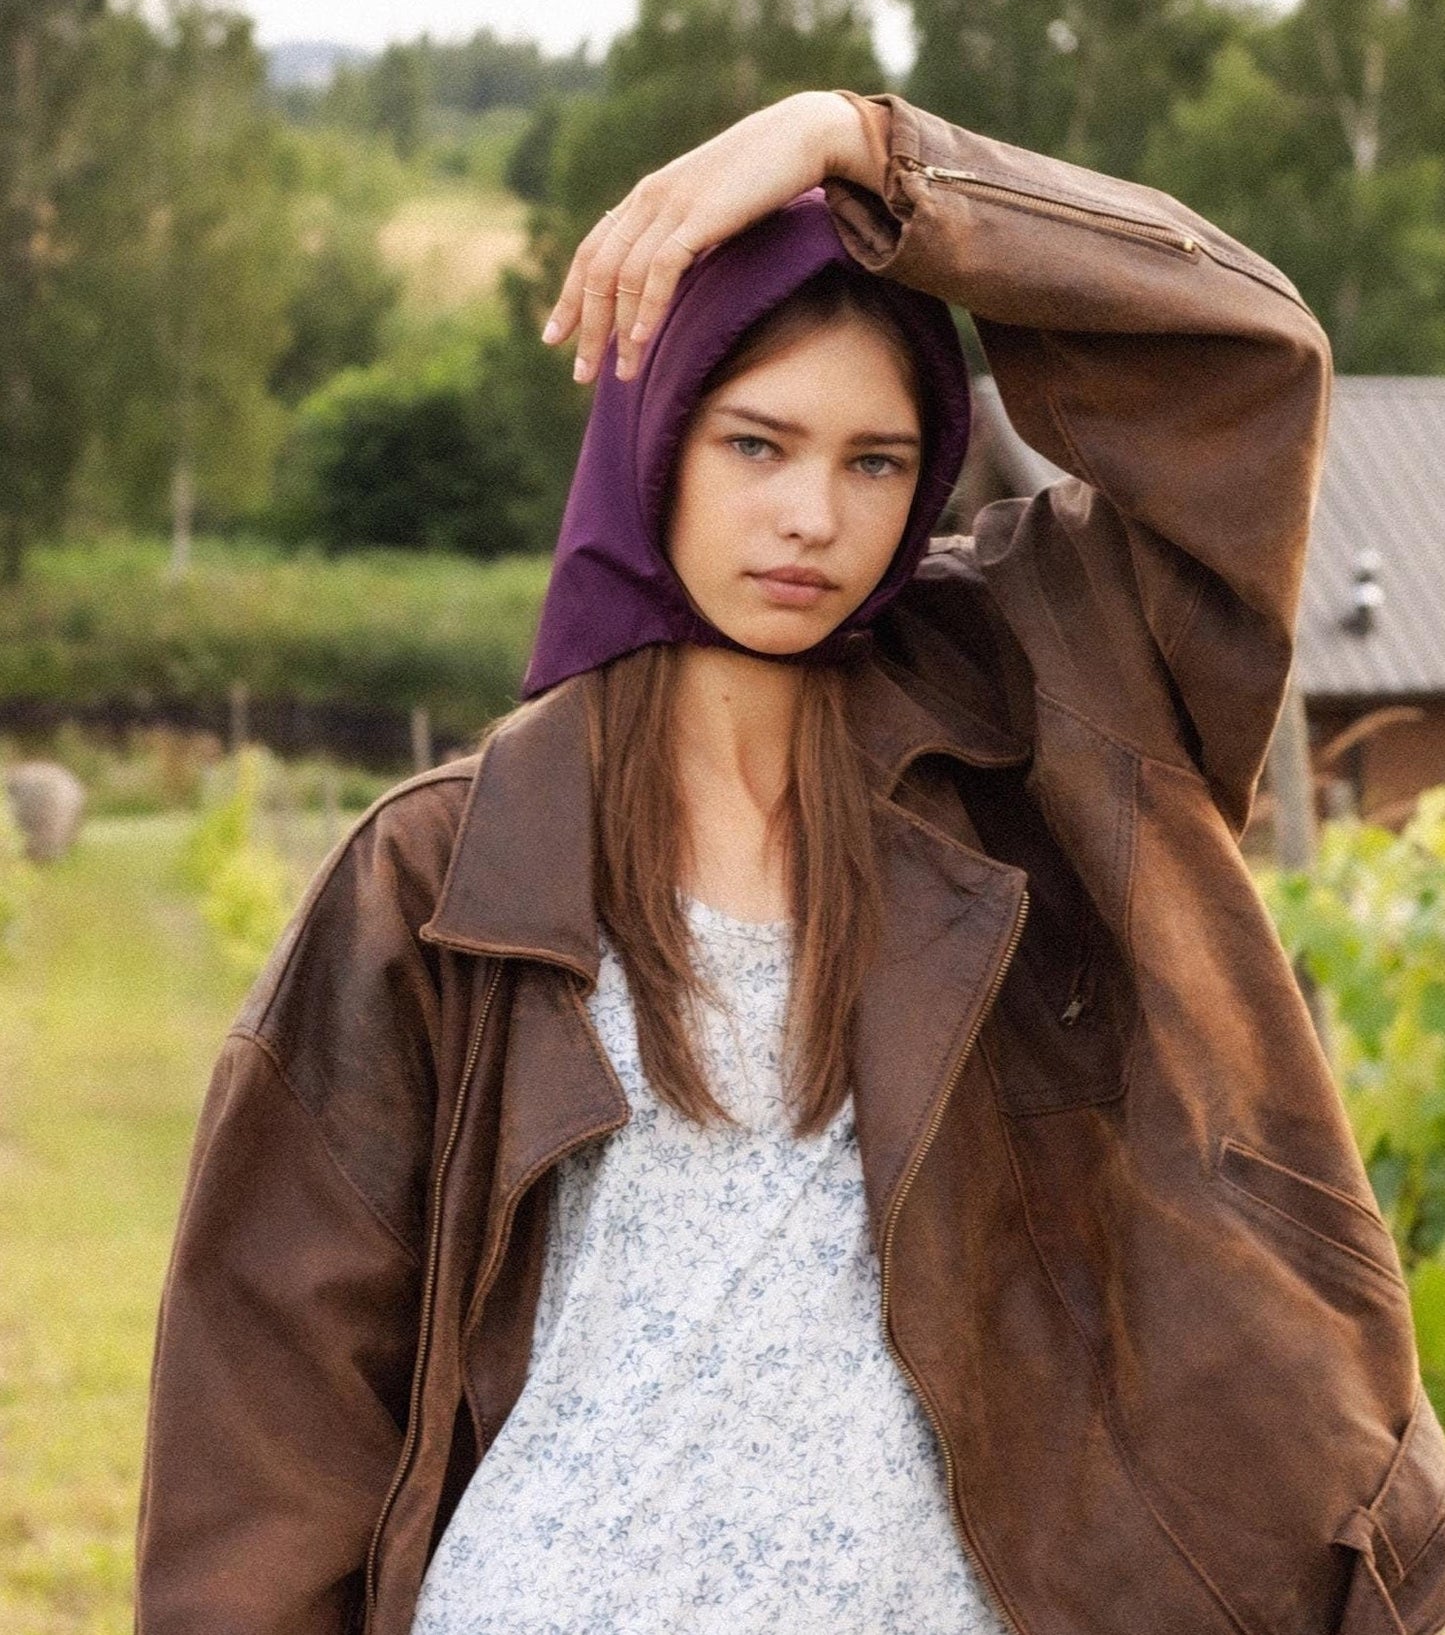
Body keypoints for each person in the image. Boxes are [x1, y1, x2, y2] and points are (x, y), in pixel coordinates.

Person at [134, 91, 1445, 1635]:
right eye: (756, 443)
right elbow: (265, 1415)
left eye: (876, 462)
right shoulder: (439, 874)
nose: (811, 516)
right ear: (653, 439)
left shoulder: (1056, 736)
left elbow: (1244, 362)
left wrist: (869, 151)